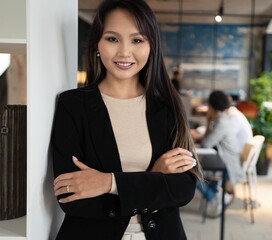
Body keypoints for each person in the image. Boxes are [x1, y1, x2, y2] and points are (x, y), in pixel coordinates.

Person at [51, 1, 203, 239]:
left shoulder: (167, 106)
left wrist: (108, 183)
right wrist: (154, 178)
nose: (124, 52)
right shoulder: (72, 105)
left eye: (137, 40)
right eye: (112, 39)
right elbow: (70, 197)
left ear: (151, 46)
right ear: (97, 45)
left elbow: (183, 189)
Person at [191, 90, 253, 195]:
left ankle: (210, 193)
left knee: (190, 167)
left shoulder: (221, 121)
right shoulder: (222, 118)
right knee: (193, 164)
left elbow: (206, 144)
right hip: (226, 158)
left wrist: (208, 121)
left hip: (227, 162)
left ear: (211, 105)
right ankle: (212, 189)